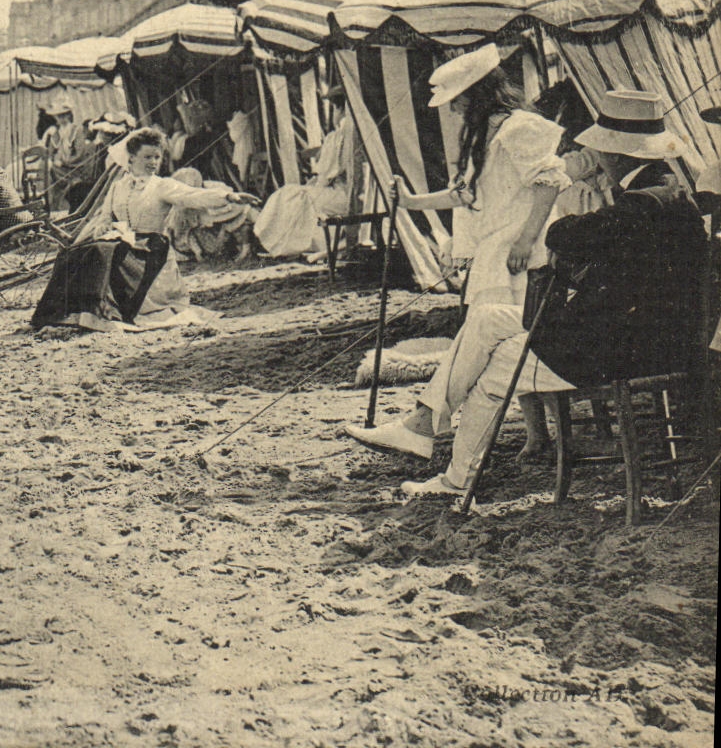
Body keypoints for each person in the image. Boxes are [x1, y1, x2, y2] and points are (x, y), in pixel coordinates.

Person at [394, 91, 705, 497]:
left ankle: (455, 478)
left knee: (494, 372)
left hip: (620, 350)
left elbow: (563, 234)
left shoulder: (638, 206)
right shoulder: (671, 192)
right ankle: (424, 420)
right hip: (646, 336)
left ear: (612, 154)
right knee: (488, 318)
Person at [347, 45, 569, 463]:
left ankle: (433, 427)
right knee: (508, 346)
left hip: (522, 255)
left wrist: (525, 239)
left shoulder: (520, 127)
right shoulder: (487, 134)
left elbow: (549, 183)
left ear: (478, 94)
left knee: (523, 345)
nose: (452, 112)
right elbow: (465, 196)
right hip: (497, 254)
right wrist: (411, 202)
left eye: (457, 102)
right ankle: (538, 437)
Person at [32, 128, 257, 332]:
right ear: (131, 158)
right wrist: (102, 228)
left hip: (151, 251)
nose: (153, 162)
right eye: (147, 157)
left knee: (103, 253)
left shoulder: (162, 186)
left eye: (157, 157)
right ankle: (68, 313)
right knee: (77, 253)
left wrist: (229, 196)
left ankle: (105, 312)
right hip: (122, 244)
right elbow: (105, 215)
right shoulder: (118, 186)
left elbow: (193, 196)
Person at [253, 88, 356, 261]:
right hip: (353, 194)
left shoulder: (339, 135)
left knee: (292, 195)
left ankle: (278, 243)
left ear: (339, 110)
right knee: (296, 194)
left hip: (343, 195)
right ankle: (282, 243)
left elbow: (325, 175)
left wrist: (314, 185)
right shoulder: (351, 134)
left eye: (336, 109)